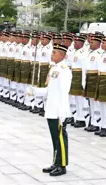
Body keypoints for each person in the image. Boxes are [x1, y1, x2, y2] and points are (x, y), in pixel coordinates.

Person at [41, 44, 72, 176]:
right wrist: (34, 91)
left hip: (59, 110)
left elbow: (64, 92)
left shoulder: (64, 70)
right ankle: (56, 162)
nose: (51, 55)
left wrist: (63, 113)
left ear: (62, 55)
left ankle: (62, 165)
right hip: (51, 109)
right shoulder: (54, 68)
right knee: (55, 138)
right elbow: (49, 90)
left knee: (60, 139)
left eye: (54, 53)